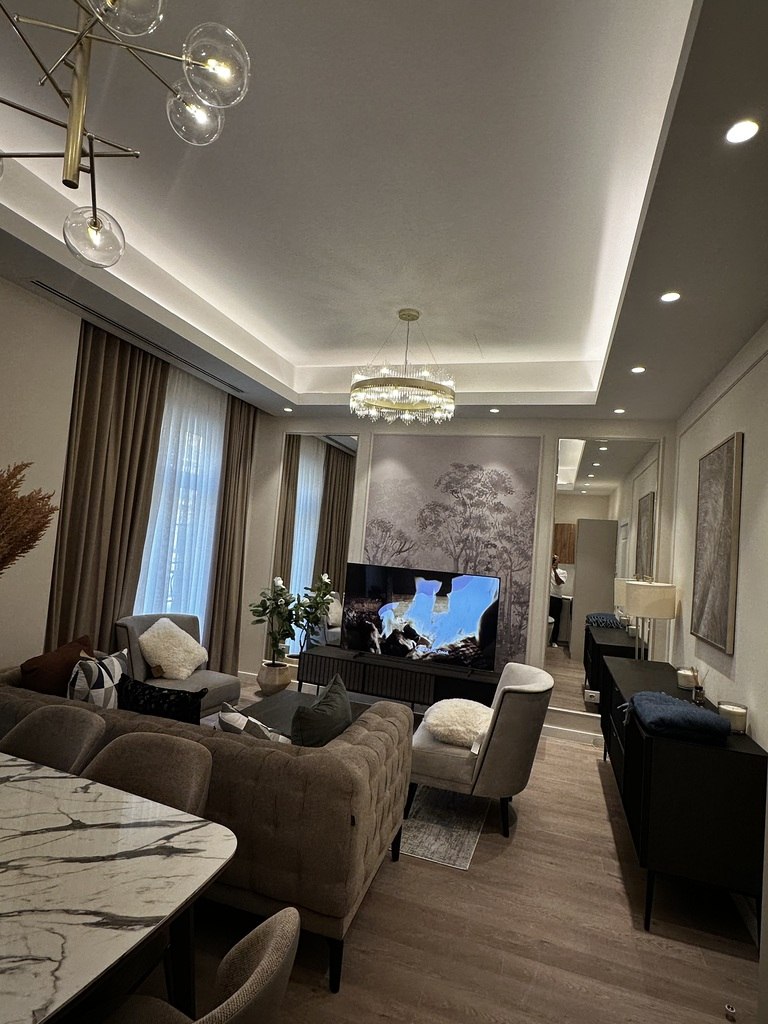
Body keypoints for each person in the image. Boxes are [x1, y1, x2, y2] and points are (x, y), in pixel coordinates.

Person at [549, 554, 568, 647]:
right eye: (553, 559)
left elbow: (558, 582)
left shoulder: (562, 572)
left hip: (556, 598)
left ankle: (554, 640)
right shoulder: (547, 570)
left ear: (558, 561)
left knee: (556, 620)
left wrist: (554, 570)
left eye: (556, 559)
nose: (554, 560)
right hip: (547, 597)